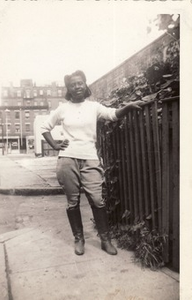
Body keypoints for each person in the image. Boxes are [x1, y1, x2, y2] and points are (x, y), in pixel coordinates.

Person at [41, 70, 143, 256]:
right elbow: (44, 127)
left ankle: (105, 239)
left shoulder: (94, 107)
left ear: (85, 84)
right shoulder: (63, 109)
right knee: (73, 202)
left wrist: (127, 107)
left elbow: (112, 114)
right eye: (73, 84)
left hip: (90, 158)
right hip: (67, 159)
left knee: (97, 199)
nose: (77, 86)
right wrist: (55, 144)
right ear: (69, 89)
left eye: (80, 83)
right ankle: (79, 239)